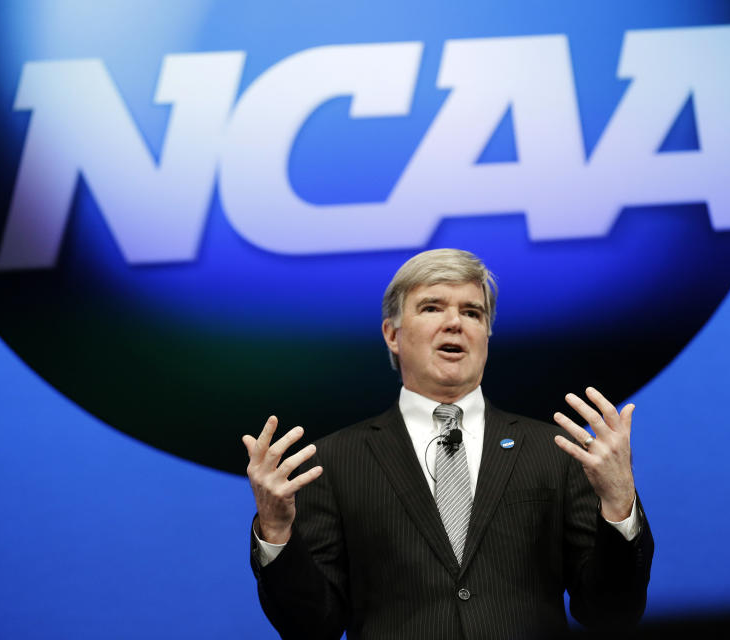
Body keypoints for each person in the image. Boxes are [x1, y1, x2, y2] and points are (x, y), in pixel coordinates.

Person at [243, 248, 653, 640]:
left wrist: (619, 503)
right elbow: (312, 629)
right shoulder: (333, 462)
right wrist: (277, 531)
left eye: (472, 313)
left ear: (486, 336)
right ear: (392, 334)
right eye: (432, 308)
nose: (455, 323)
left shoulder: (555, 452)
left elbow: (610, 615)